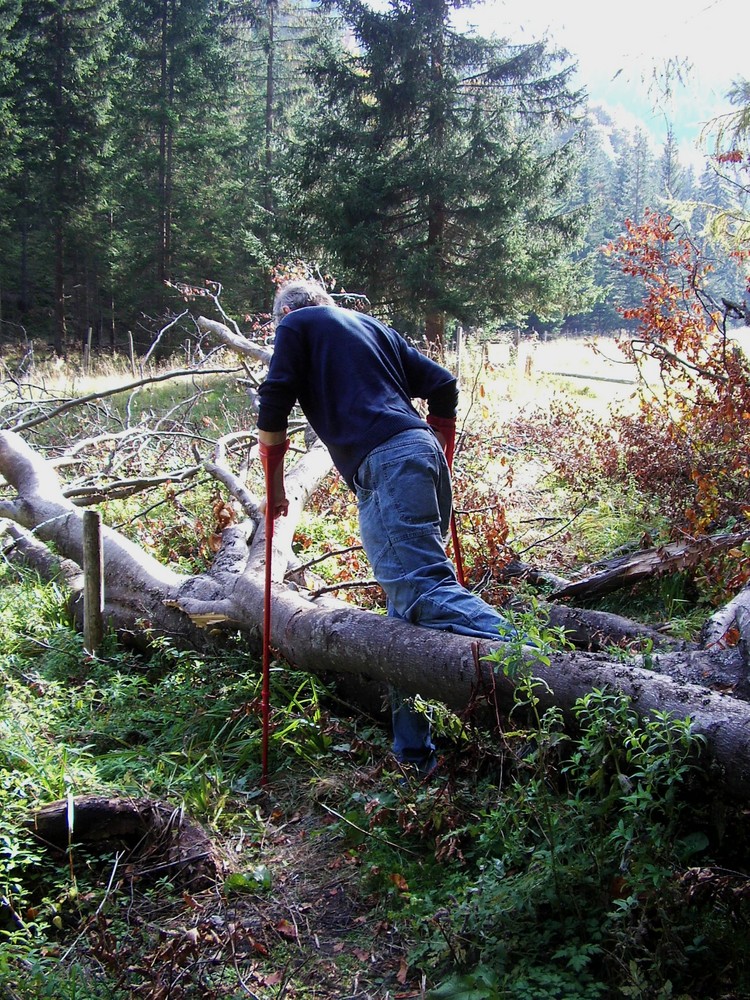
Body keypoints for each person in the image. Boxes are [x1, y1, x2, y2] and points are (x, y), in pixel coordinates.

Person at [257, 280, 512, 775]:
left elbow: (274, 402)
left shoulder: (295, 322)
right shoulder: (372, 328)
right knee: (405, 613)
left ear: (286, 313)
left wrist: (273, 490)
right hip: (419, 453)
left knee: (421, 594)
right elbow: (443, 385)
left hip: (389, 463)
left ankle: (540, 660)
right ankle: (413, 754)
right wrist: (441, 455)